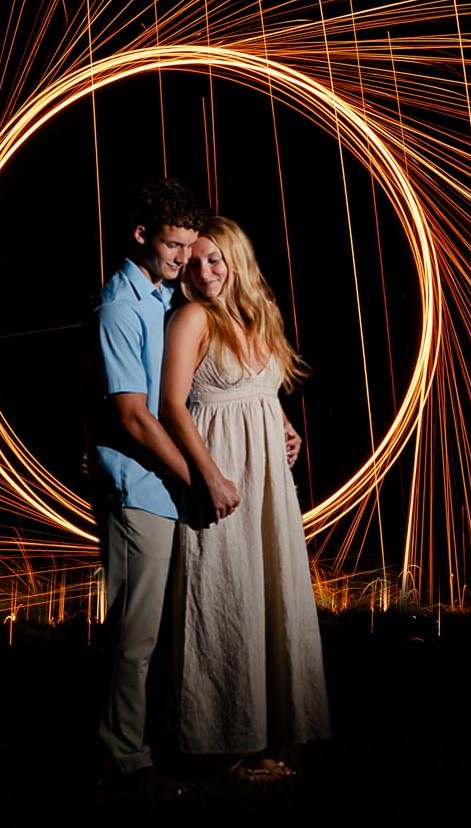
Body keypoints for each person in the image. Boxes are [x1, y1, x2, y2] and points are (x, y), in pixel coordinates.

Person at [160, 215, 331, 778]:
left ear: (237, 261)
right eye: (195, 261)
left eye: (215, 260)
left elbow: (259, 388)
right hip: (225, 473)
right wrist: (208, 475)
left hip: (269, 483)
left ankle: (270, 733)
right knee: (226, 594)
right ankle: (225, 738)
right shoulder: (191, 318)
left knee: (269, 593)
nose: (204, 271)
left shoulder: (259, 317)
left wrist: (284, 424)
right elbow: (173, 406)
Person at [92, 178, 238, 784]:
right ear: (141, 236)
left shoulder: (161, 298)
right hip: (139, 491)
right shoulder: (121, 307)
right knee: (135, 635)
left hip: (169, 491)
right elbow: (132, 415)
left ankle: (159, 739)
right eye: (174, 245)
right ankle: (121, 757)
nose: (184, 257)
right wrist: (196, 478)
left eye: (188, 246)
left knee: (168, 632)